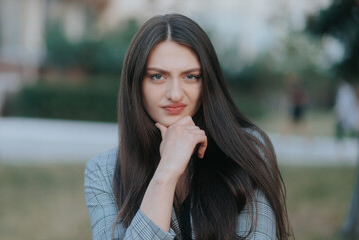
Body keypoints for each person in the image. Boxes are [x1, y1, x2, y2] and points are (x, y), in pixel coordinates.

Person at [85, 14, 291, 240]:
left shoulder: (247, 150)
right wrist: (165, 174)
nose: (175, 94)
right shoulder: (103, 172)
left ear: (207, 82)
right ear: (136, 84)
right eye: (157, 76)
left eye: (190, 76)